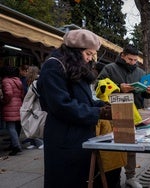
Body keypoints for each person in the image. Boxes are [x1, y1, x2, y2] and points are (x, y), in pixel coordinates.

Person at [37, 29, 112, 188]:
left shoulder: (75, 66)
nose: (90, 59)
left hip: (79, 135)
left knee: (80, 178)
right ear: (76, 51)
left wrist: (103, 106)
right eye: (89, 54)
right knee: (65, 180)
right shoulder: (53, 67)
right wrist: (98, 112)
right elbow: (61, 105)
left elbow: (84, 99)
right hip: (64, 137)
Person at [97, 44, 150, 188]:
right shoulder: (109, 68)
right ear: (122, 55)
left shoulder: (140, 72)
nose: (133, 63)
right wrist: (119, 87)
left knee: (131, 146)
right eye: (130, 59)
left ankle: (131, 177)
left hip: (136, 112)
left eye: (135, 60)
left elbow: (147, 94)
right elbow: (99, 87)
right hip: (114, 112)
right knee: (115, 145)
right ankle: (112, 177)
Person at [1, 66, 24, 156]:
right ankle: (13, 144)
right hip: (19, 105)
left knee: (10, 127)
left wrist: (4, 101)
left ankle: (16, 146)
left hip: (10, 106)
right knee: (17, 127)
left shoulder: (5, 81)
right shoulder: (18, 81)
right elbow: (22, 94)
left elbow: (9, 93)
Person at [22, 66, 44, 149]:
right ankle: (34, 142)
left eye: (28, 71)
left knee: (36, 124)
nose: (26, 72)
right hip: (33, 106)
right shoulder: (33, 81)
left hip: (36, 106)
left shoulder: (36, 82)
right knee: (31, 123)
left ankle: (41, 142)